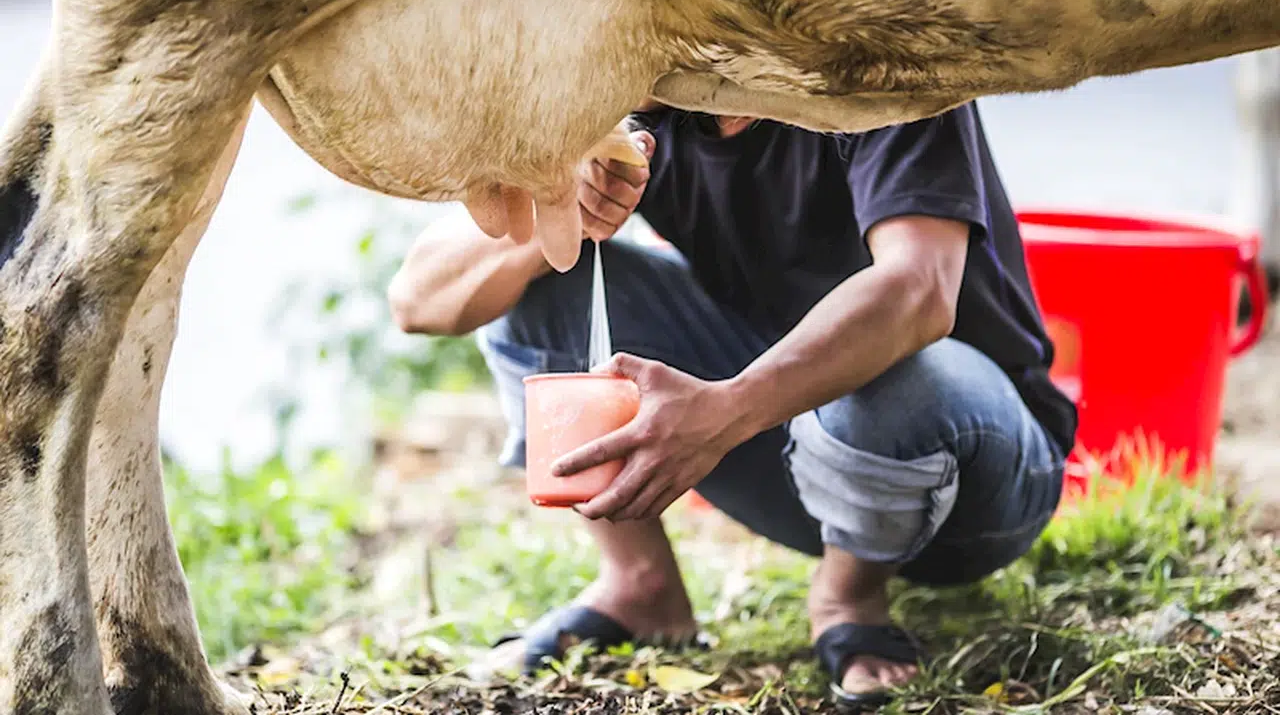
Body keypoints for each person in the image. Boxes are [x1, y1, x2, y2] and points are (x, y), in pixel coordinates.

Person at [387, 102, 1077, 709]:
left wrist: (724, 410)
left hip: (976, 476)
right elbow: (417, 298)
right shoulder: (654, 104)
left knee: (900, 376)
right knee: (536, 294)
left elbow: (920, 290)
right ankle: (641, 583)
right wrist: (562, 214)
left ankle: (847, 595)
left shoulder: (881, 54)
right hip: (799, 453)